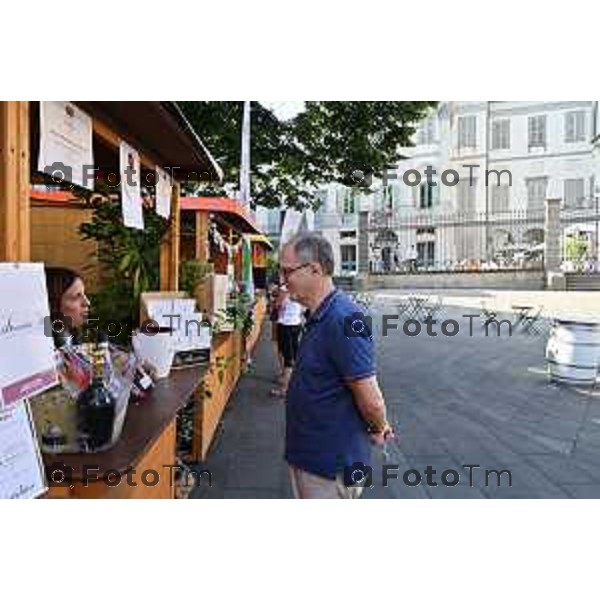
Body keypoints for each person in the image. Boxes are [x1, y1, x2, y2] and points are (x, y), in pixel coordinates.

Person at [279, 232, 393, 499]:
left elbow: (371, 399)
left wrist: (378, 427)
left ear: (314, 269)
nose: (282, 281)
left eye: (287, 272)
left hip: (329, 465)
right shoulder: (323, 314)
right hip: (314, 458)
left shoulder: (342, 319)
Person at [45, 267, 91, 347]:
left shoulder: (73, 337)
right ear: (53, 303)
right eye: (76, 297)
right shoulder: (40, 349)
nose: (87, 302)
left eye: (84, 294)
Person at [271, 285, 304, 398]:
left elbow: (279, 305)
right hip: (296, 324)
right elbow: (303, 309)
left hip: (285, 325)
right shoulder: (301, 287)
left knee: (287, 357)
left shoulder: (284, 289)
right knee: (293, 354)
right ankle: (290, 381)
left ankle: (285, 389)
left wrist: (275, 302)